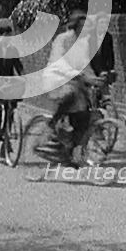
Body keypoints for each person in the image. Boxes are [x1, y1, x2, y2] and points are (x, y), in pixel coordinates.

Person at [40, 9, 105, 166]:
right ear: (75, 26)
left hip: (75, 81)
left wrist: (94, 79)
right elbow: (58, 61)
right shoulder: (62, 40)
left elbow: (85, 66)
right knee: (70, 94)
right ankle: (52, 124)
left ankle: (70, 150)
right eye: (81, 26)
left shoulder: (83, 44)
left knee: (84, 116)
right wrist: (75, 74)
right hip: (57, 80)